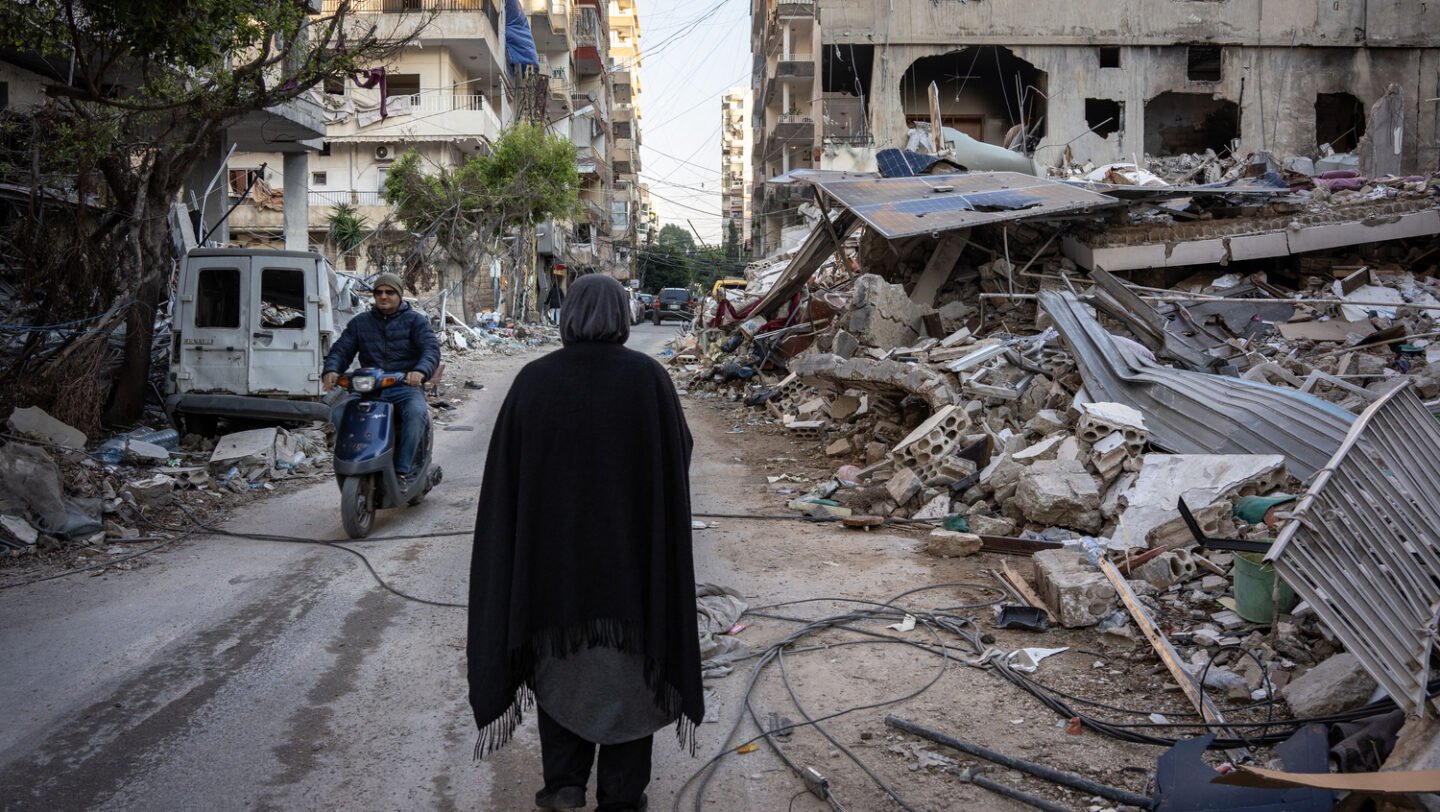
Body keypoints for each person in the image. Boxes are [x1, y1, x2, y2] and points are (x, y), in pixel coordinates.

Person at [467, 274, 703, 812]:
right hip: (632, 569)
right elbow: (677, 459)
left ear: (566, 316)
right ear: (624, 317)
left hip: (554, 569)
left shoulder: (534, 381)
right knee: (629, 674)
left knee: (559, 663)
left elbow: (506, 475)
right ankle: (621, 795)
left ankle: (564, 785)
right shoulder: (650, 381)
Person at [321, 273, 440, 481]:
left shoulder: (415, 321)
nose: (384, 296)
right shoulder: (360, 323)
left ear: (399, 295)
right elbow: (341, 349)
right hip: (369, 388)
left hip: (404, 386)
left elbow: (430, 349)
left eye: (390, 292)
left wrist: (419, 371)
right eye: (379, 292)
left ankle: (403, 470)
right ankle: (355, 458)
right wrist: (331, 369)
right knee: (340, 413)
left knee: (416, 412)